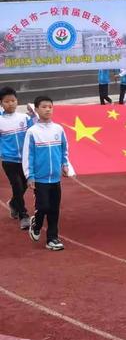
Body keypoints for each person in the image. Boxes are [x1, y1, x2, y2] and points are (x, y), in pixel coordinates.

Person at [23, 96, 70, 251]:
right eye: (44, 107)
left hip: (55, 178)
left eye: (50, 106)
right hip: (40, 179)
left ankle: (52, 238)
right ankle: (36, 224)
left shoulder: (58, 129)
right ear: (36, 109)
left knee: (54, 209)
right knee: (43, 206)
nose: (48, 109)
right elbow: (28, 155)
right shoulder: (32, 132)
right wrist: (30, 176)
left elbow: (64, 149)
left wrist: (64, 164)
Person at [0, 87, 35, 229]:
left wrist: (34, 116)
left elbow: (33, 134)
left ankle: (14, 203)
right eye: (7, 101)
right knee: (17, 185)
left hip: (25, 160)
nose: (11, 104)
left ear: (17, 101)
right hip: (9, 160)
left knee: (24, 185)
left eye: (13, 100)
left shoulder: (24, 118)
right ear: (1, 103)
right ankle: (23, 216)